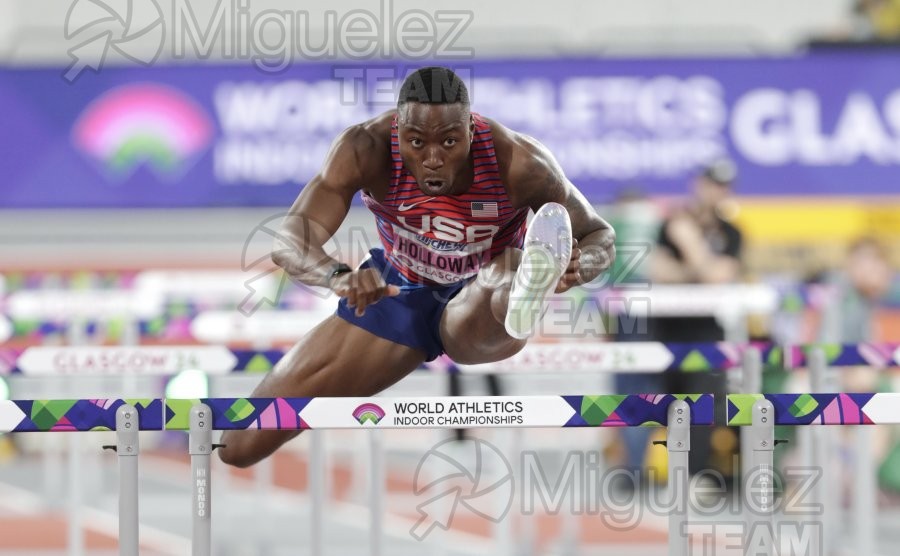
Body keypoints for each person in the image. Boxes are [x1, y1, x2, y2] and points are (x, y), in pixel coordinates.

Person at [218, 67, 616, 468]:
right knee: (242, 443)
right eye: (416, 142)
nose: (433, 159)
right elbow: (289, 242)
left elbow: (599, 235)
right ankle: (523, 281)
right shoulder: (365, 148)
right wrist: (337, 276)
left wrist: (580, 267)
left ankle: (529, 285)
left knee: (504, 270)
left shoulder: (520, 162)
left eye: (449, 141)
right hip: (399, 292)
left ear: (471, 131)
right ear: (397, 132)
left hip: (481, 301)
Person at [648, 158, 743, 480]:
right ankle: (668, 476)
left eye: (723, 186)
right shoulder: (669, 224)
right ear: (698, 184)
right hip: (664, 330)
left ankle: (695, 476)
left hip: (706, 332)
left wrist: (690, 244)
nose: (716, 191)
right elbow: (658, 272)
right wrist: (700, 269)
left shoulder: (730, 232)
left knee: (702, 408)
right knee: (667, 407)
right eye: (711, 183)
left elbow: (719, 276)